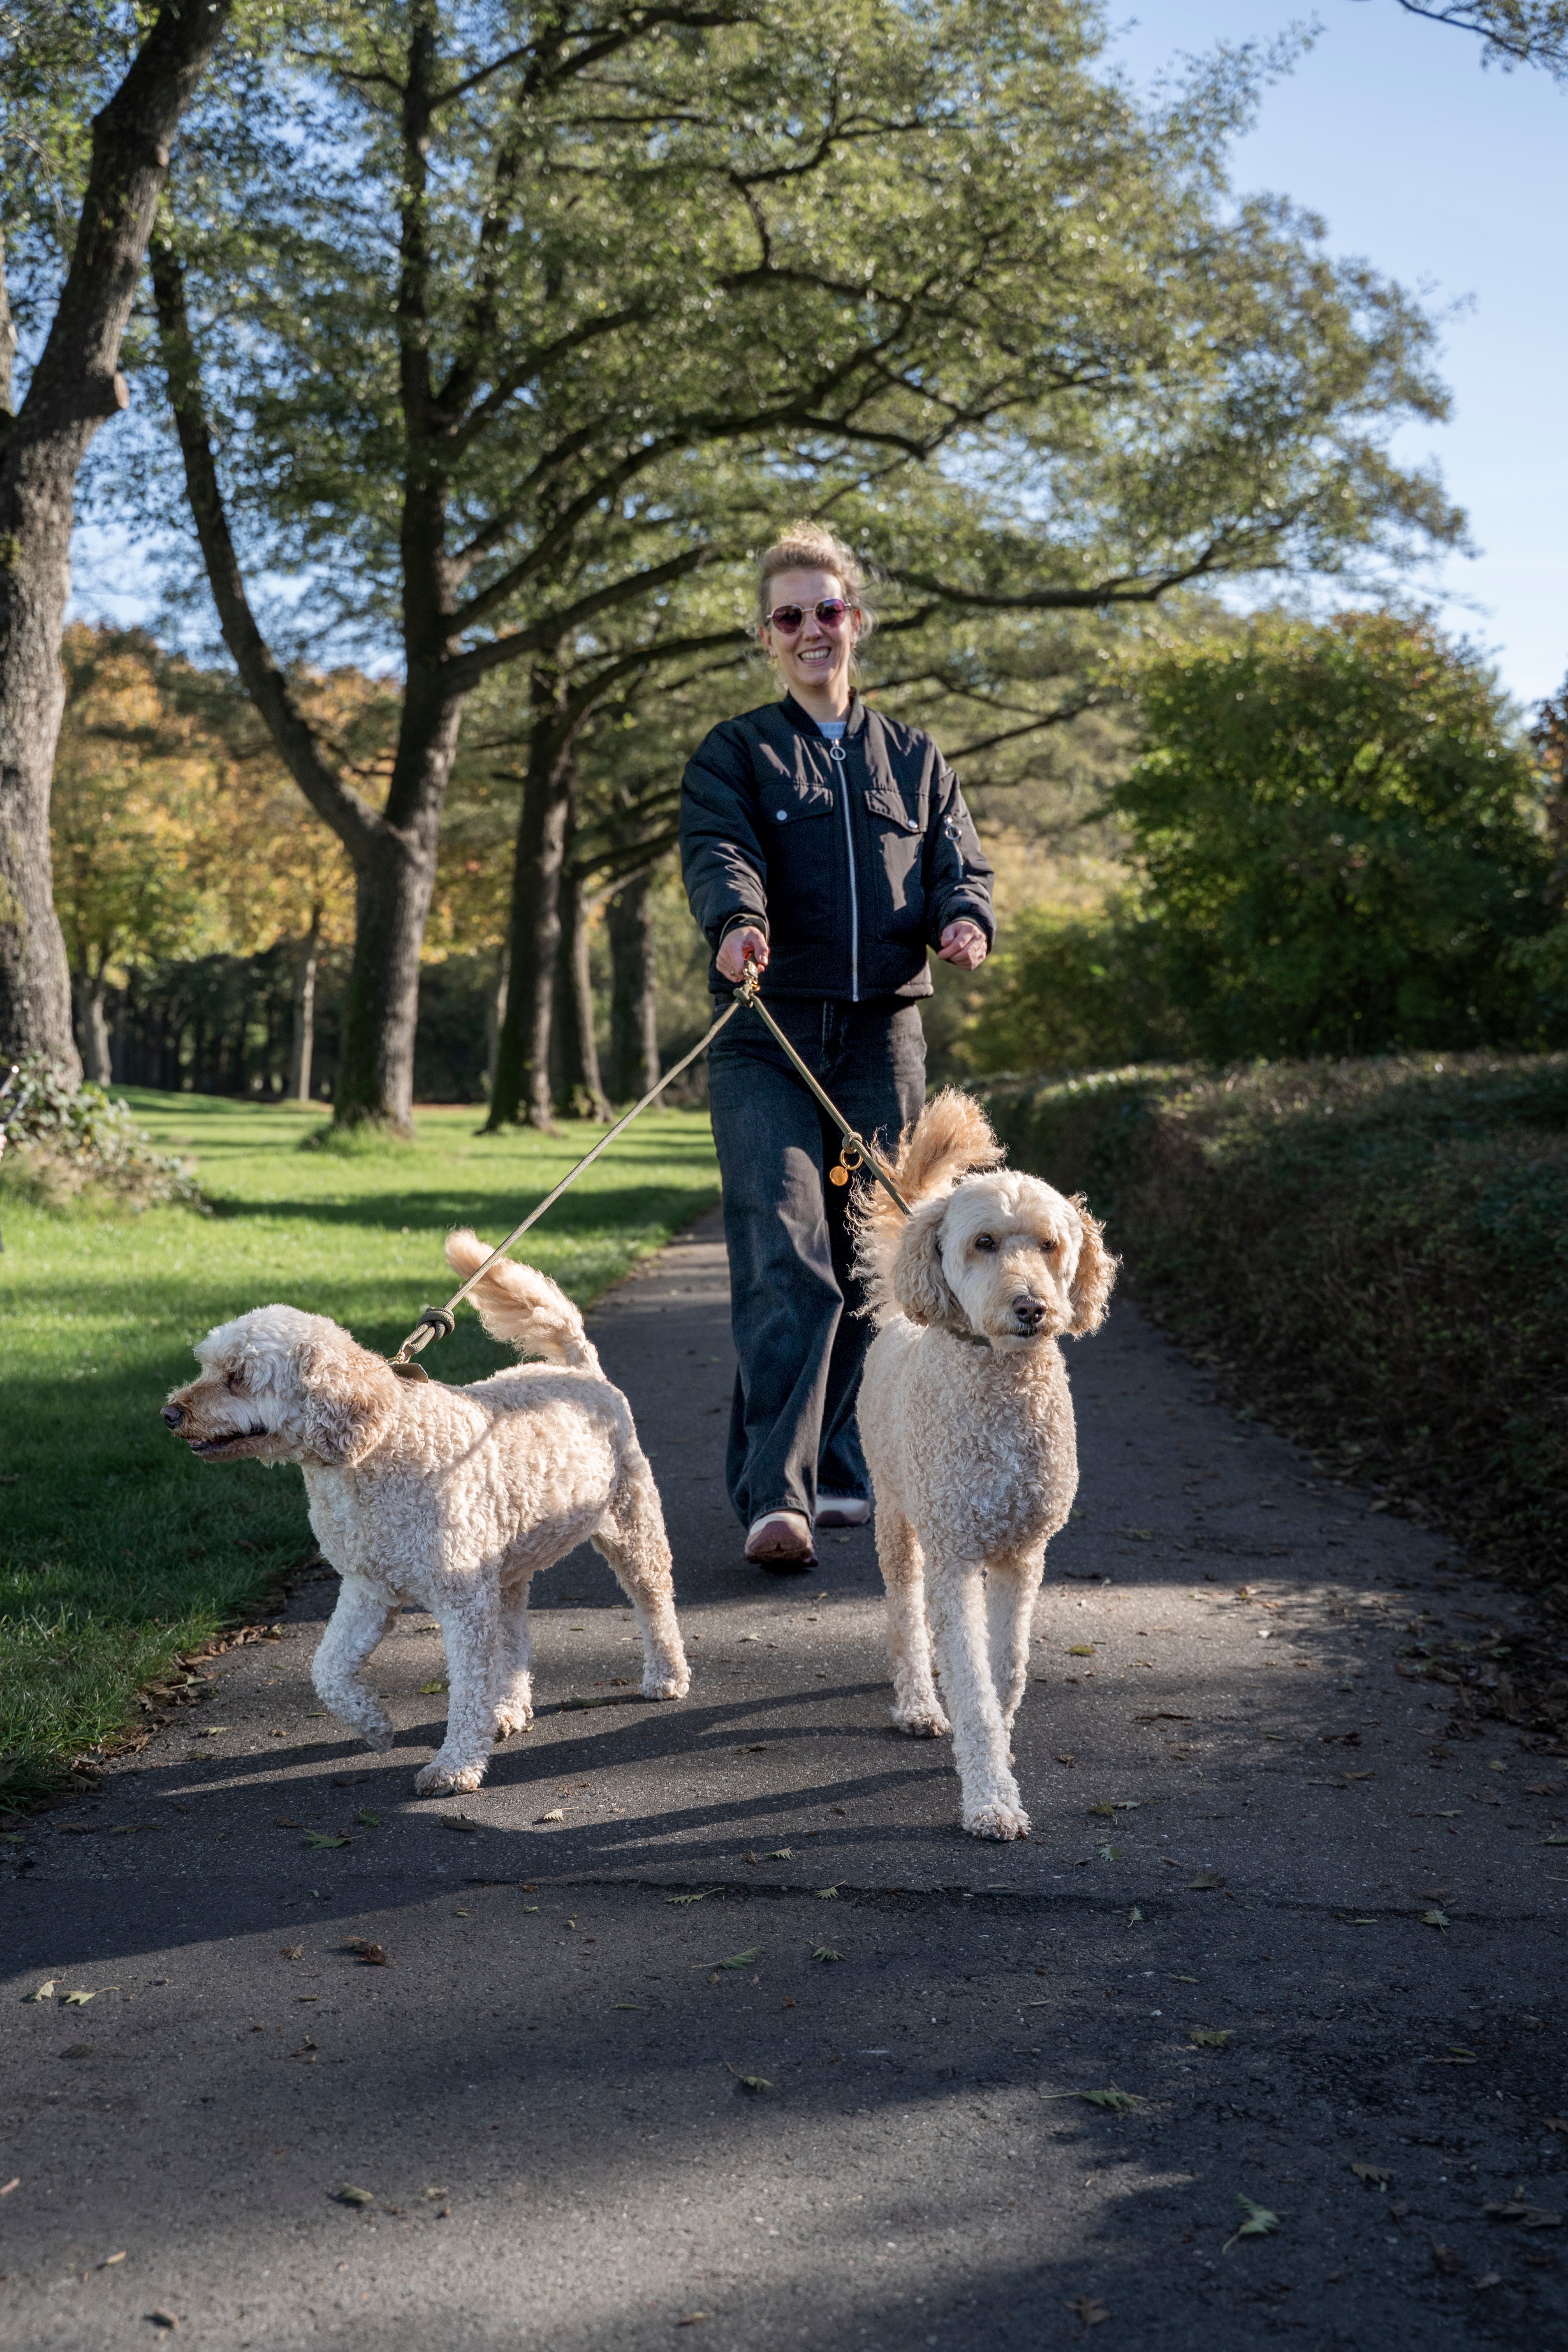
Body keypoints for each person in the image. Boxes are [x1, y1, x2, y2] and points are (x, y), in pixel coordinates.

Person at [680, 521, 994, 1570]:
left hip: (878, 1037)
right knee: (787, 1257)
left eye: (826, 610)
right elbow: (718, 851)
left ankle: (850, 1465)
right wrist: (738, 924)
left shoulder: (914, 756)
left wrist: (963, 920)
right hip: (764, 1033)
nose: (811, 629)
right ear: (765, 638)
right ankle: (777, 1496)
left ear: (854, 621)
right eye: (788, 617)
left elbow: (961, 863)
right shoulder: (735, 753)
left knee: (874, 1261)